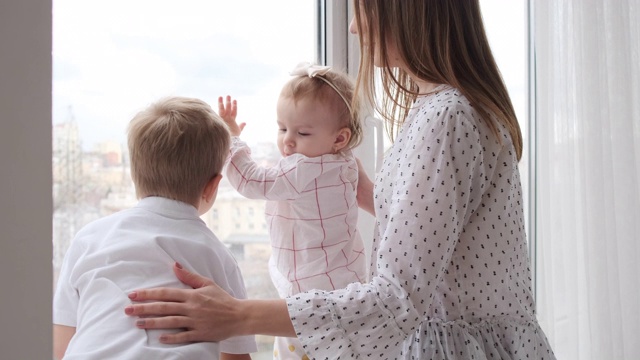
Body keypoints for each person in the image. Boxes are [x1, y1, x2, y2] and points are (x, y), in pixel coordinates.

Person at [124, 1, 557, 359]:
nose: (352, 27)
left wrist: (238, 315)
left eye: (362, 10)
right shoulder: (450, 110)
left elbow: (395, 302)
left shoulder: (444, 119)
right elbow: (412, 223)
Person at [53, 97, 256, 360]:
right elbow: (235, 356)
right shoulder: (216, 255)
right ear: (212, 186)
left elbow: (60, 346)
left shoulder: (89, 239)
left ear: (135, 176)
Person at [217, 61, 367, 360]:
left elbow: (250, 180)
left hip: (307, 298)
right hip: (346, 286)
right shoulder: (346, 162)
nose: (287, 140)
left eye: (303, 133)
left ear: (340, 138)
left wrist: (232, 140)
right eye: (282, 128)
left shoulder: (302, 169)